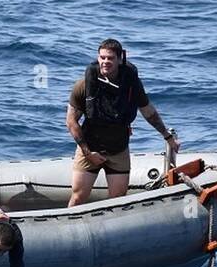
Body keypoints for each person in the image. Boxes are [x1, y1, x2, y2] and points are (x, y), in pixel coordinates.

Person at [66, 38, 180, 205]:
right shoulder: (83, 85)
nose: (105, 62)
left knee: (117, 201)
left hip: (118, 149)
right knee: (78, 197)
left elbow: (149, 112)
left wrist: (167, 136)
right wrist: (88, 153)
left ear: (120, 59)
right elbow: (71, 122)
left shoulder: (131, 85)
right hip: (89, 148)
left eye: (110, 58)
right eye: (102, 57)